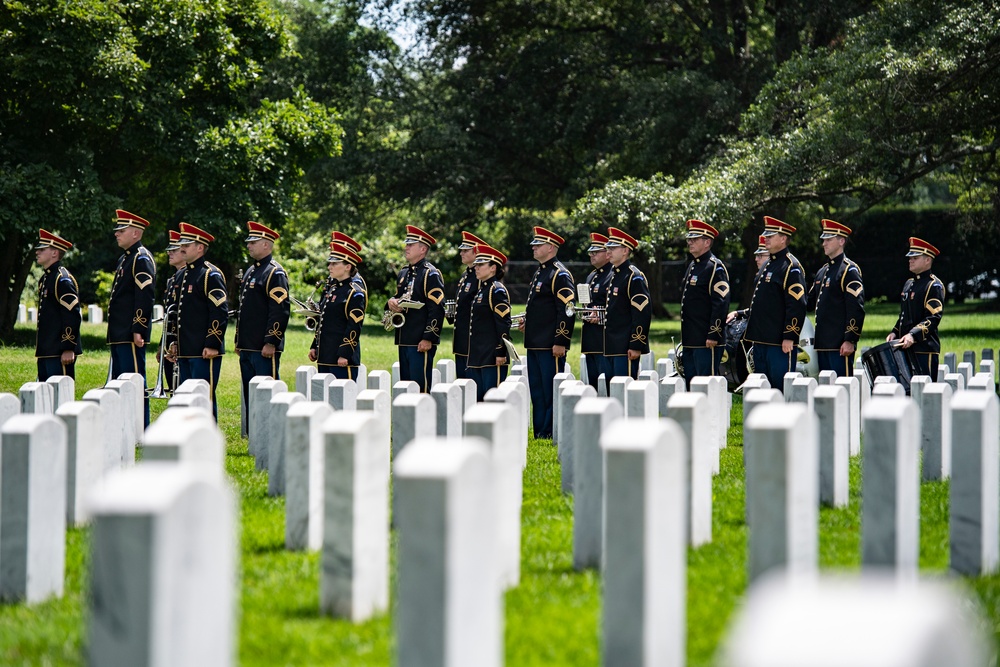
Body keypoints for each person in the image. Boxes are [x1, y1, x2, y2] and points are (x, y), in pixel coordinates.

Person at [729, 216, 807, 392]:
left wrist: (790, 336)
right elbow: (764, 303)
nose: (766, 239)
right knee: (762, 391)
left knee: (779, 390)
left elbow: (796, 305)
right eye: (766, 235)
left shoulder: (791, 267)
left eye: (771, 236)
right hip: (760, 341)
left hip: (779, 343)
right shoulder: (768, 265)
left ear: (783, 239)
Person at [519, 226, 575, 439]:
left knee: (550, 390)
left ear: (551, 247)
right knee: (537, 389)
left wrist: (561, 340)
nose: (533, 247)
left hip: (550, 344)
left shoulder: (560, 274)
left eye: (538, 244)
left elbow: (566, 311)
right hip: (534, 341)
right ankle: (541, 430)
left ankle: (551, 430)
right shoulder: (541, 272)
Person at [168, 222, 228, 419]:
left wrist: (212, 344)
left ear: (200, 247)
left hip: (203, 351)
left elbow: (219, 312)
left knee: (204, 399)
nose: (182, 247)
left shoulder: (210, 274)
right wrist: (174, 342)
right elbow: (177, 313)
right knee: (187, 399)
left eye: (187, 243)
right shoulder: (181, 275)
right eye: (181, 243)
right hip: (186, 349)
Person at [236, 221, 290, 415]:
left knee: (267, 394)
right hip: (248, 345)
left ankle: (270, 435)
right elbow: (244, 310)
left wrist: (271, 341)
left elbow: (280, 310)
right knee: (251, 395)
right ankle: (254, 435)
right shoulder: (251, 271)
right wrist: (239, 340)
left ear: (266, 244)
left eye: (253, 242)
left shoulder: (275, 273)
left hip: (264, 347)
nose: (249, 245)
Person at [107, 209, 156, 425]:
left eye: (122, 230)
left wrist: (139, 328)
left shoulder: (141, 258)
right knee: (120, 382)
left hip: (129, 332)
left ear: (136, 233)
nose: (117, 233)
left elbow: (144, 296)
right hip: (119, 332)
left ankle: (139, 425)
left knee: (134, 380)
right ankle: (124, 424)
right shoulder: (126, 258)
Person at [388, 225, 446, 392]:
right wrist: (392, 302)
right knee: (406, 387)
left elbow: (437, 309)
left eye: (410, 245)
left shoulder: (430, 274)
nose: (406, 247)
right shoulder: (404, 273)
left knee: (420, 388)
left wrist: (429, 337)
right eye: (407, 244)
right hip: (404, 337)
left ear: (422, 249)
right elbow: (398, 296)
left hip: (421, 340)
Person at [807, 219, 865, 376]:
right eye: (823, 240)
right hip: (822, 345)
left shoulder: (849, 270)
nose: (824, 243)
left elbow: (856, 308)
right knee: (827, 394)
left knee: (842, 390)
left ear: (841, 241)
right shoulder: (823, 271)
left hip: (840, 345)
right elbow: (808, 302)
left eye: (828, 240)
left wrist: (850, 339)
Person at [680, 219, 730, 387]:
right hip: (691, 338)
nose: (690, 242)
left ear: (707, 242)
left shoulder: (715, 267)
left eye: (695, 239)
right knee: (691, 386)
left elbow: (720, 303)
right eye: (689, 239)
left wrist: (713, 334)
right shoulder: (693, 266)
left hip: (706, 340)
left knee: (706, 386)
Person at [887, 237, 944, 378]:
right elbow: (904, 315)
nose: (910, 260)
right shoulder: (909, 284)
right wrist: (895, 332)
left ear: (927, 260)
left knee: (925, 393)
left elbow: (933, 317)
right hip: (906, 346)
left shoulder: (933, 285)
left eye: (915, 257)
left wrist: (913, 335)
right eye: (910, 257)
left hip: (924, 348)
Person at [309, 241, 367, 379]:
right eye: (330, 263)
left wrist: (344, 353)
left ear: (347, 266)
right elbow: (323, 321)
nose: (330, 267)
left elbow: (354, 327)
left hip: (341, 359)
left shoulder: (355, 293)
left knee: (341, 399)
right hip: (324, 354)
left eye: (334, 264)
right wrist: (315, 345)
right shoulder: (331, 289)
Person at [604, 227, 651, 380]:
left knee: (624, 395)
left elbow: (642, 314)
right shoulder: (615, 274)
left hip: (625, 348)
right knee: (613, 396)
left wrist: (636, 345)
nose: (608, 251)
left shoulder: (634, 276)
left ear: (625, 250)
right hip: (611, 346)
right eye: (607, 247)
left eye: (612, 248)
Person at [34, 229, 82, 381]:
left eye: (42, 249)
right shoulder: (46, 278)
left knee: (61, 397)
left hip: (59, 351)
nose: (37, 252)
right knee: (45, 397)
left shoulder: (62, 279)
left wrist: (68, 347)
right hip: (47, 350)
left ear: (54, 253)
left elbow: (72, 315)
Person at [467, 244, 512, 400]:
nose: (476, 268)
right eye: (476, 264)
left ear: (493, 268)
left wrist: (500, 351)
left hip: (492, 357)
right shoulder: (482, 290)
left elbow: (503, 323)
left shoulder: (496, 290)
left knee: (493, 400)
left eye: (481, 265)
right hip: (479, 355)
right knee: (479, 401)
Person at [449, 230, 487, 379]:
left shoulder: (480, 278)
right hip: (462, 341)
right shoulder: (466, 276)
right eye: (461, 250)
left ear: (476, 252)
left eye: (466, 250)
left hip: (473, 342)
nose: (461, 253)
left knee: (473, 385)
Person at [580, 232, 611, 392]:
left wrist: (599, 314)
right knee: (592, 387)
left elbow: (616, 307)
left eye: (595, 252)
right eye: (590, 252)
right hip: (590, 339)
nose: (591, 255)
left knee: (606, 387)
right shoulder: (592, 276)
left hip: (604, 340)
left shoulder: (613, 274)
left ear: (607, 253)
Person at [157, 230, 186, 392]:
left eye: (174, 250)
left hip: (181, 343)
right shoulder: (172, 280)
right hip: (170, 344)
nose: (170, 253)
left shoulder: (186, 278)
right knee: (173, 388)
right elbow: (169, 318)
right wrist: (163, 344)